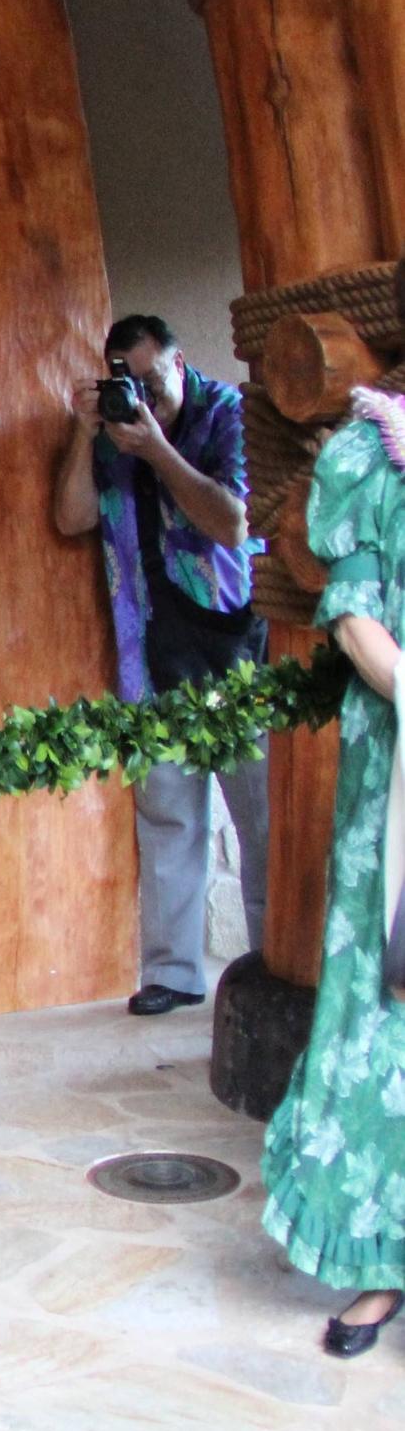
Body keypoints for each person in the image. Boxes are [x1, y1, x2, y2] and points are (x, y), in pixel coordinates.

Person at [53, 314, 269, 1015]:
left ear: (180, 362)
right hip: (150, 652)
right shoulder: (112, 432)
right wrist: (85, 434)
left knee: (263, 824)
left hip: (238, 652)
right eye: (128, 382)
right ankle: (172, 973)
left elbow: (232, 521)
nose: (141, 396)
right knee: (168, 818)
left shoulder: (231, 415)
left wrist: (157, 452)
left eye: (152, 380)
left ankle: (275, 969)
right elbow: (72, 519)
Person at [259, 386, 405, 1361]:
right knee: (389, 1012)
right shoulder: (374, 453)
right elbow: (354, 618)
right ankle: (385, 1263)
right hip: (402, 777)